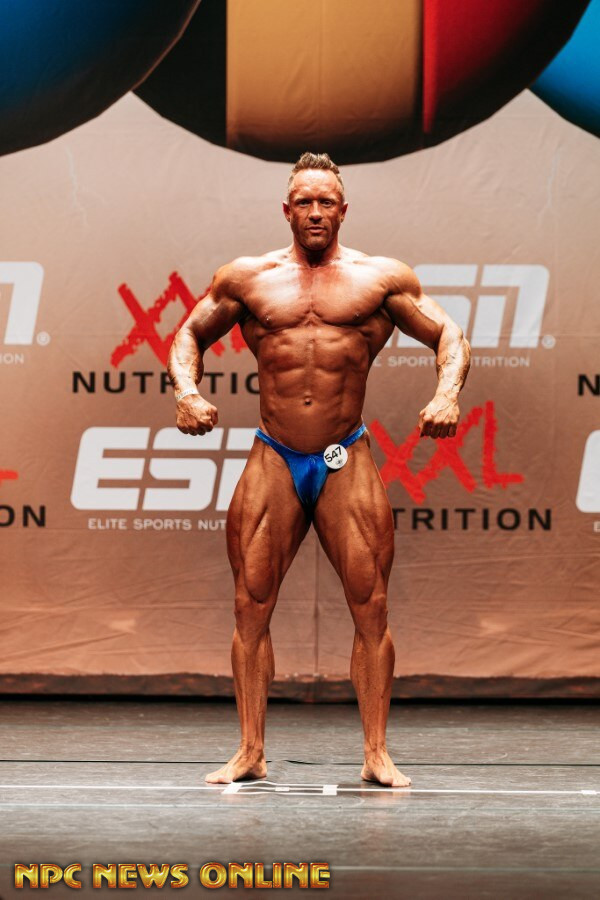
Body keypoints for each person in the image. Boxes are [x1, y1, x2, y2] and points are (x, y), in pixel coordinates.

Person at [167, 152, 471, 787]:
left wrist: (447, 395)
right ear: (286, 210)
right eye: (303, 202)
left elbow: (449, 335)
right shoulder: (247, 278)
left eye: (325, 202)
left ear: (343, 210)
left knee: (371, 607)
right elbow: (188, 334)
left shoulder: (380, 279)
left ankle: (377, 754)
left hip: (344, 457)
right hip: (274, 456)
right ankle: (250, 751)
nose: (314, 212)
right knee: (250, 606)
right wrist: (187, 392)